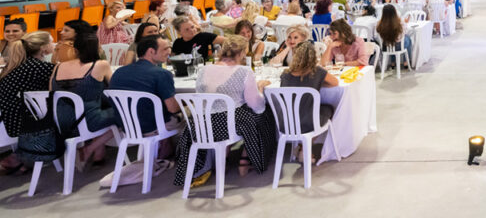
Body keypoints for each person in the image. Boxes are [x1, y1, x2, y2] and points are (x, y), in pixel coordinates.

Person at [174, 35, 276, 187]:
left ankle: (224, 159)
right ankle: (246, 159)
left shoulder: (204, 69)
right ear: (242, 53)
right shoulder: (243, 71)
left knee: (236, 112)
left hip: (200, 125)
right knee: (264, 114)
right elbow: (255, 104)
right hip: (226, 126)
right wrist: (260, 88)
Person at [51, 21, 119, 167]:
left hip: (60, 121)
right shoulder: (100, 65)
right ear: (97, 48)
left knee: (97, 105)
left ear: (75, 49)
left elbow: (52, 92)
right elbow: (116, 89)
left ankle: (98, 153)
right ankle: (90, 148)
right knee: (125, 113)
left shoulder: (58, 67)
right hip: (87, 121)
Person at [109, 35, 181, 157]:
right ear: (151, 51)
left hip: (128, 126)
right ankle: (191, 156)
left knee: (158, 109)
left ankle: (164, 149)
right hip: (153, 126)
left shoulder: (119, 72)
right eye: (165, 49)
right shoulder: (162, 74)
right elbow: (173, 108)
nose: (169, 52)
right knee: (191, 114)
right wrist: (187, 104)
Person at [0, 31, 55, 172]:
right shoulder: (39, 67)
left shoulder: (15, 66)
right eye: (52, 42)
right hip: (23, 123)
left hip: (7, 120)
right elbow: (59, 81)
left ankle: (22, 157)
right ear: (43, 48)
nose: (55, 45)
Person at [280, 41, 339, 137]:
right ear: (314, 56)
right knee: (328, 108)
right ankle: (308, 143)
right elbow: (335, 82)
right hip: (308, 123)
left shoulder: (285, 74)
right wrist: (318, 82)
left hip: (285, 123)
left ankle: (301, 143)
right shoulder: (317, 71)